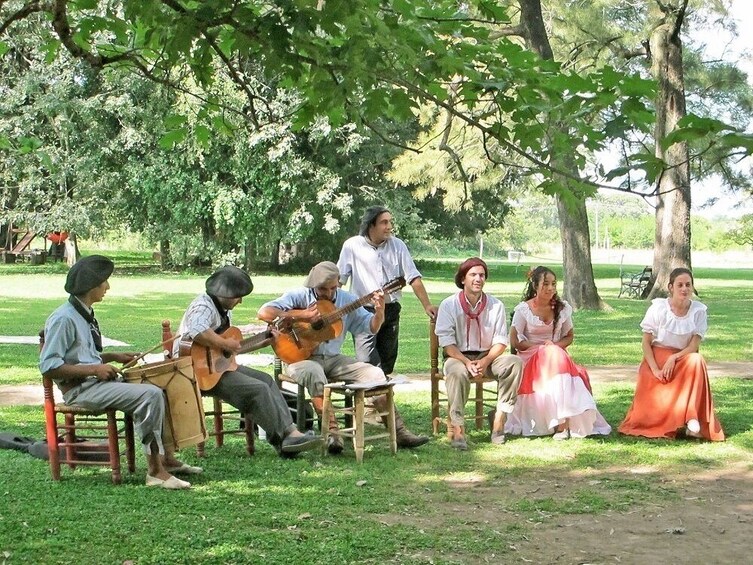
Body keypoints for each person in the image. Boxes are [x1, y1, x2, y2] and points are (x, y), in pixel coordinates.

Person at [39, 255, 196, 489]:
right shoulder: (64, 319)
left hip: (95, 384)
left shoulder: (84, 312)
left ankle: (167, 459)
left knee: (161, 386)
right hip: (81, 390)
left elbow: (81, 356)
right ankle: (155, 472)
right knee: (149, 395)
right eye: (104, 282)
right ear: (92, 286)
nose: (108, 287)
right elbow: (49, 366)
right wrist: (95, 369)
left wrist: (112, 357)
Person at [257, 261, 430, 454]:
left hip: (333, 359)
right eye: (323, 289)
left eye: (333, 288)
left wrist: (380, 311)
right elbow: (264, 312)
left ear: (338, 283)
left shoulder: (348, 300)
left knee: (375, 374)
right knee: (314, 372)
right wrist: (302, 315)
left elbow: (370, 327)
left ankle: (399, 431)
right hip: (301, 360)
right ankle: (332, 434)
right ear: (313, 285)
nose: (328, 293)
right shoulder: (299, 295)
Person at [174, 265, 321, 457]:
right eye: (237, 296)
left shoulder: (224, 310)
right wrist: (225, 344)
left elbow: (228, 351)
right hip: (195, 371)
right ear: (225, 294)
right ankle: (284, 439)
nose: (240, 301)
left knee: (266, 380)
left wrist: (262, 341)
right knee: (256, 389)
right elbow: (197, 330)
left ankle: (290, 434)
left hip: (216, 369)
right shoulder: (203, 306)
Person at [504, 266, 611, 440]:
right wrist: (540, 348)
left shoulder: (562, 308)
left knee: (555, 354)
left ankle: (564, 423)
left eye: (553, 284)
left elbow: (569, 337)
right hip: (531, 356)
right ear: (535, 285)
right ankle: (561, 423)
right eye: (545, 284)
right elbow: (516, 342)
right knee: (551, 353)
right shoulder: (523, 310)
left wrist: (553, 346)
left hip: (555, 357)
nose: (550, 288)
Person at [618, 267, 724, 441]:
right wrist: (655, 369)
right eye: (680, 285)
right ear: (671, 287)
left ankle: (691, 418)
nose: (684, 289)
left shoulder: (698, 311)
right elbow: (646, 342)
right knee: (656, 371)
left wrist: (674, 357)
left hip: (683, 357)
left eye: (688, 285)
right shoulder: (659, 308)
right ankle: (662, 420)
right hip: (657, 358)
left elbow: (694, 346)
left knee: (697, 360)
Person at [434, 257, 524, 450]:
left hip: (488, 357)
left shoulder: (496, 305)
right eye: (473, 275)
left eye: (482, 275)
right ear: (463, 279)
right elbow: (447, 345)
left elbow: (500, 341)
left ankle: (499, 419)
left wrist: (486, 361)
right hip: (457, 357)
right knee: (456, 373)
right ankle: (457, 428)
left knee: (514, 362)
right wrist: (467, 362)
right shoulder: (449, 305)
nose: (478, 279)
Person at [337, 205, 438, 376]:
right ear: (371, 225)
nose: (389, 226)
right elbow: (339, 280)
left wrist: (427, 305)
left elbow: (413, 277)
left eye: (390, 222)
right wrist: (332, 308)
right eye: (384, 222)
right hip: (363, 312)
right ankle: (377, 399)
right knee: (367, 362)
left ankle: (379, 400)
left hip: (390, 310)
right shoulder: (352, 246)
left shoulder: (398, 245)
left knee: (387, 362)